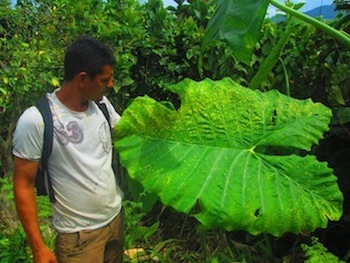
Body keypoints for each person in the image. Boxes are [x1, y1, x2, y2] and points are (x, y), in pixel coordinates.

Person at [12, 36, 124, 263]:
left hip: (115, 221)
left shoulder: (102, 106)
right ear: (83, 79)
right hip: (79, 237)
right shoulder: (37, 120)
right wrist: (39, 248)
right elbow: (23, 185)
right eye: (105, 80)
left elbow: (129, 134)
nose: (111, 85)